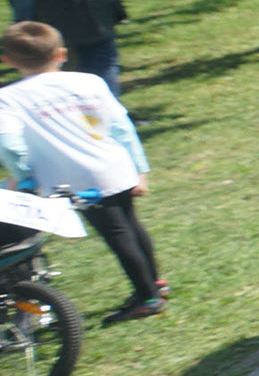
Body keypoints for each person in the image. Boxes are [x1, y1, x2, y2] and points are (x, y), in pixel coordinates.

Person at [0, 20, 165, 321]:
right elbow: (121, 126)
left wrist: (24, 177)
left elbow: (9, 146)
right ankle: (154, 282)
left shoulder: (9, 98)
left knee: (117, 234)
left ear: (7, 60)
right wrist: (139, 168)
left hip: (75, 178)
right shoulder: (89, 82)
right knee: (130, 224)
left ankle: (147, 297)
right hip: (114, 164)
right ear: (61, 54)